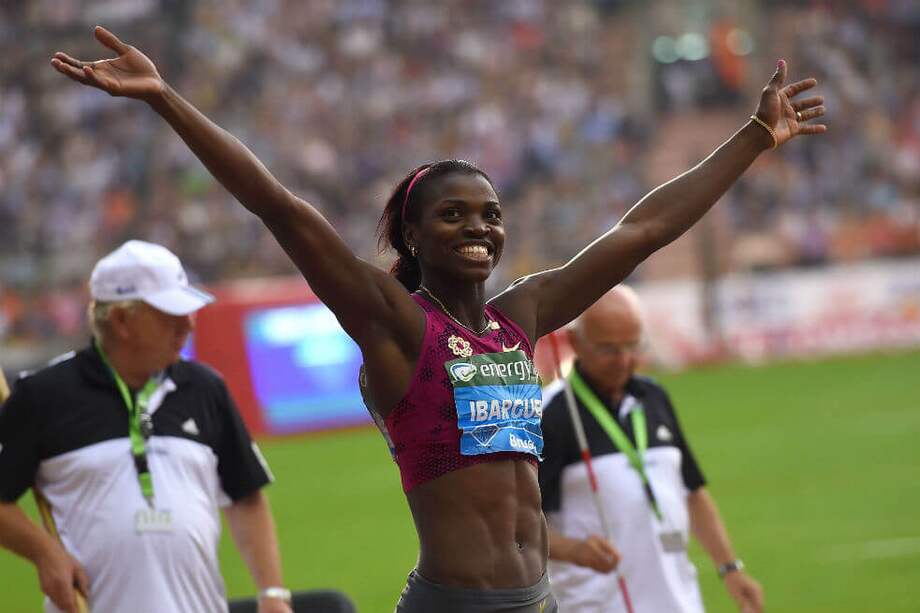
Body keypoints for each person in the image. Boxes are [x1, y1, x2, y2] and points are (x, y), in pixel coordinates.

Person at [49, 27, 824, 611]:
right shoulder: (395, 325)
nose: (479, 227)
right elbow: (279, 208)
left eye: (490, 213)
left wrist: (754, 136)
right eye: (453, 214)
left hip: (540, 599)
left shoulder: (521, 316)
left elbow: (642, 231)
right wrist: (165, 99)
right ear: (413, 235)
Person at [0, 240, 293, 613]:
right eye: (170, 315)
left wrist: (272, 592)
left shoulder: (205, 389)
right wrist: (43, 552)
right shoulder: (44, 395)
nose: (188, 325)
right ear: (121, 321)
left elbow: (246, 495)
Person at [539, 286, 764, 613]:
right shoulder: (551, 413)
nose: (624, 360)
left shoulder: (654, 396)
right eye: (608, 349)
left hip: (680, 602)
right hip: (596, 605)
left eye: (633, 346)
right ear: (575, 342)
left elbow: (692, 491)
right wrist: (574, 551)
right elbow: (518, 526)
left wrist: (730, 567)